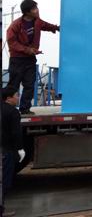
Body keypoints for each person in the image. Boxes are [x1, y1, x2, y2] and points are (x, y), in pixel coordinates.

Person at [6, 0, 59, 115]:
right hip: (17, 59)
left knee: (29, 84)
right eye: (34, 8)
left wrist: (57, 28)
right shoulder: (16, 25)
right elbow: (12, 42)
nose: (37, 10)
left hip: (30, 59)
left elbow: (46, 25)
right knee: (13, 85)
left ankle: (24, 109)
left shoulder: (37, 21)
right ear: (27, 12)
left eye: (36, 7)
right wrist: (27, 50)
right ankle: (7, 109)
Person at [1, 87, 26, 217]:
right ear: (9, 98)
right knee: (4, 182)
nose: (18, 97)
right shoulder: (13, 112)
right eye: (16, 95)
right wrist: (20, 148)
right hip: (6, 151)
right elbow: (16, 133)